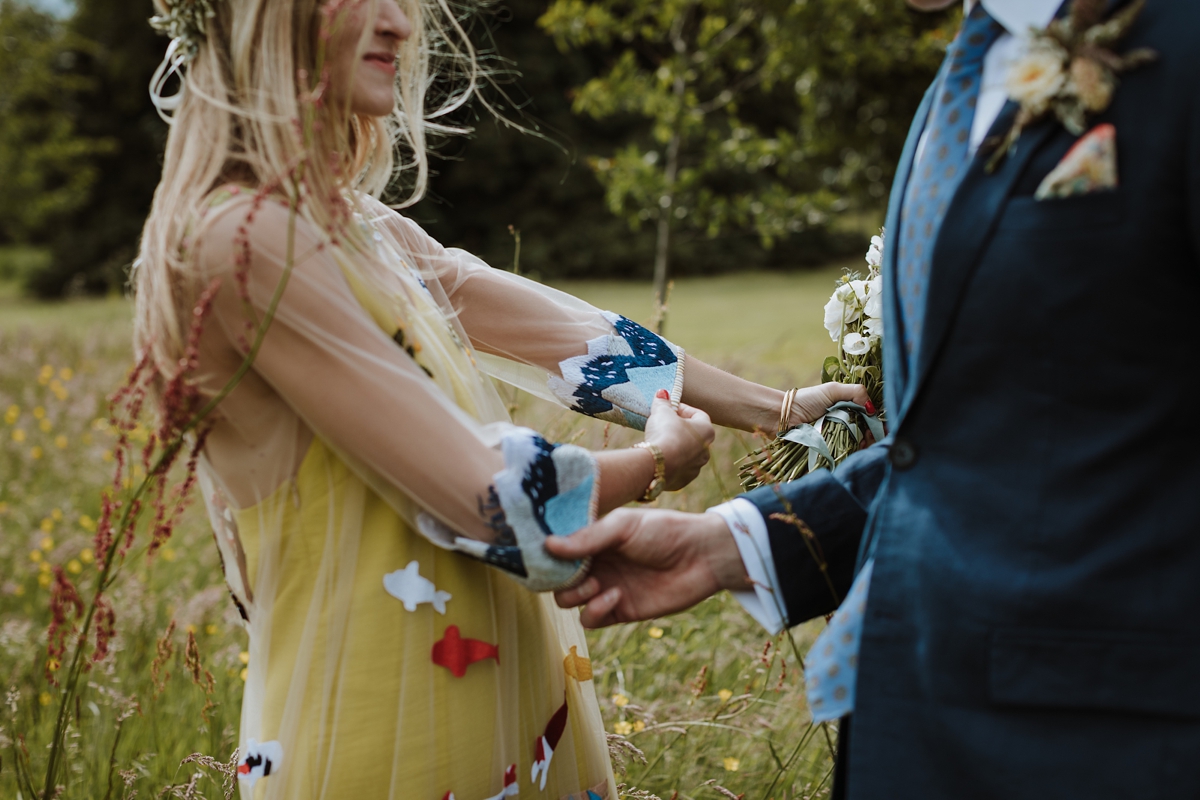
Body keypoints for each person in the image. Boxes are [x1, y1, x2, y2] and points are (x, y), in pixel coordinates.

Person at [132, 0, 866, 798]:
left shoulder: (353, 223)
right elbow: (492, 498)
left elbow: (562, 331)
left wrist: (776, 408)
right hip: (381, 721)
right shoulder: (243, 240)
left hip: (487, 690)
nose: (401, 26)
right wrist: (657, 460)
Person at [548, 0, 1200, 797]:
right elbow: (974, 443)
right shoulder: (969, 71)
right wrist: (735, 544)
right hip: (912, 722)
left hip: (1112, 741)